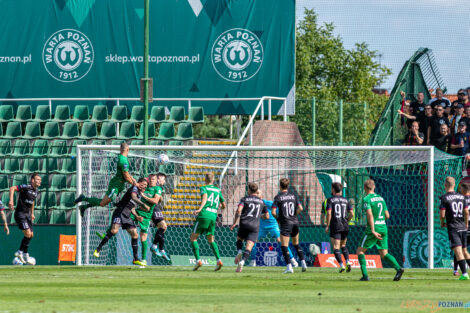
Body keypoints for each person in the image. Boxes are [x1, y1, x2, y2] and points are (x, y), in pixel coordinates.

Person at [93, 178, 149, 267]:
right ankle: (98, 249)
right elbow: (133, 197)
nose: (145, 186)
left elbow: (132, 207)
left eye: (146, 185)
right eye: (143, 184)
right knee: (114, 231)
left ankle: (135, 259)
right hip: (120, 212)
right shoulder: (134, 188)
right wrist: (143, 204)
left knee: (135, 234)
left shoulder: (139, 194)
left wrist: (136, 216)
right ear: (139, 183)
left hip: (127, 215)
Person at [356, 179, 404, 281]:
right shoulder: (381, 198)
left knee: (360, 251)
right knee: (384, 254)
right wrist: (380, 221)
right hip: (383, 227)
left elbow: (369, 215)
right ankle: (398, 269)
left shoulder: (367, 199)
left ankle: (365, 276)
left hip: (373, 229)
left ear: (365, 188)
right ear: (374, 187)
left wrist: (373, 229)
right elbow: (387, 215)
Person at [75, 142, 137, 215]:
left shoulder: (121, 158)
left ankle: (84, 207)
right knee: (102, 203)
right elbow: (126, 176)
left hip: (118, 184)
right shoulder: (124, 160)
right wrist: (134, 183)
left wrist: (132, 179)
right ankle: (83, 198)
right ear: (128, 149)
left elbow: (125, 173)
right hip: (116, 185)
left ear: (120, 149)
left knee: (104, 202)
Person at [248, 190, 297, 267]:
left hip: (273, 225)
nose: (256, 195)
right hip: (262, 227)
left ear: (261, 196)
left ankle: (292, 260)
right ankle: (253, 261)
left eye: (258, 193)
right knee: (252, 241)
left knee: (281, 241)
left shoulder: (268, 203)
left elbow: (277, 209)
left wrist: (279, 219)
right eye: (255, 193)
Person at [230, 183, 269, 272]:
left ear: (249, 190)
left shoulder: (244, 199)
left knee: (239, 239)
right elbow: (267, 216)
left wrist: (234, 223)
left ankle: (239, 252)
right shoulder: (262, 202)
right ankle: (243, 262)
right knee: (249, 246)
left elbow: (238, 211)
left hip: (244, 223)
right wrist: (259, 215)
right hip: (254, 226)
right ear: (256, 191)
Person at [190, 173, 226, 271]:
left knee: (193, 238)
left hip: (204, 215)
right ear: (213, 180)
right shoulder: (218, 190)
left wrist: (199, 209)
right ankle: (218, 260)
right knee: (211, 239)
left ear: (205, 179)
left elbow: (205, 198)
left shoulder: (204, 188)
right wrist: (220, 207)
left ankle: (198, 261)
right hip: (213, 216)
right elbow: (223, 205)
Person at [271, 178, 307, 273]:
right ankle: (303, 263)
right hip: (295, 222)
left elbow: (273, 212)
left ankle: (289, 267)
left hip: (286, 223)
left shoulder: (278, 197)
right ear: (288, 185)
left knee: (284, 246)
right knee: (296, 244)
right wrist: (294, 215)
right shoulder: (293, 196)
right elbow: (301, 208)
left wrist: (278, 219)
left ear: (280, 186)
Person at [439, 177, 469, 280]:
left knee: (458, 251)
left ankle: (464, 274)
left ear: (445, 185)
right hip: (462, 227)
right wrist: (466, 224)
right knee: (464, 251)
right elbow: (466, 212)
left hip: (453, 227)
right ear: (455, 184)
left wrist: (442, 222)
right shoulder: (462, 196)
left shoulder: (444, 197)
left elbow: (442, 215)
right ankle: (461, 272)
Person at [9, 173, 41, 264]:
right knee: (27, 233)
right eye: (38, 179)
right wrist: (11, 201)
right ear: (32, 180)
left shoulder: (36, 191)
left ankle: (25, 253)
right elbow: (12, 188)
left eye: (40, 180)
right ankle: (20, 252)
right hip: (20, 214)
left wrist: (32, 213)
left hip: (28, 215)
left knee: (31, 235)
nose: (39, 181)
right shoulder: (26, 187)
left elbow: (32, 202)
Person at [325, 182, 354, 273]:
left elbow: (329, 213)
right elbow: (352, 213)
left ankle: (341, 265)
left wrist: (327, 225)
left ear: (333, 189)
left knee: (336, 247)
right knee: (343, 245)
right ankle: (348, 262)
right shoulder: (346, 200)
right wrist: (347, 220)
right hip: (345, 226)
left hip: (336, 225)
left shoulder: (330, 200)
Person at [149, 172, 170, 261]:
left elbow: (159, 198)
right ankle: (155, 247)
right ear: (159, 178)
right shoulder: (153, 183)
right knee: (163, 226)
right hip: (153, 207)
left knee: (163, 228)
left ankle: (161, 249)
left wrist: (160, 197)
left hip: (155, 207)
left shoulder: (159, 187)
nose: (164, 182)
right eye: (164, 179)